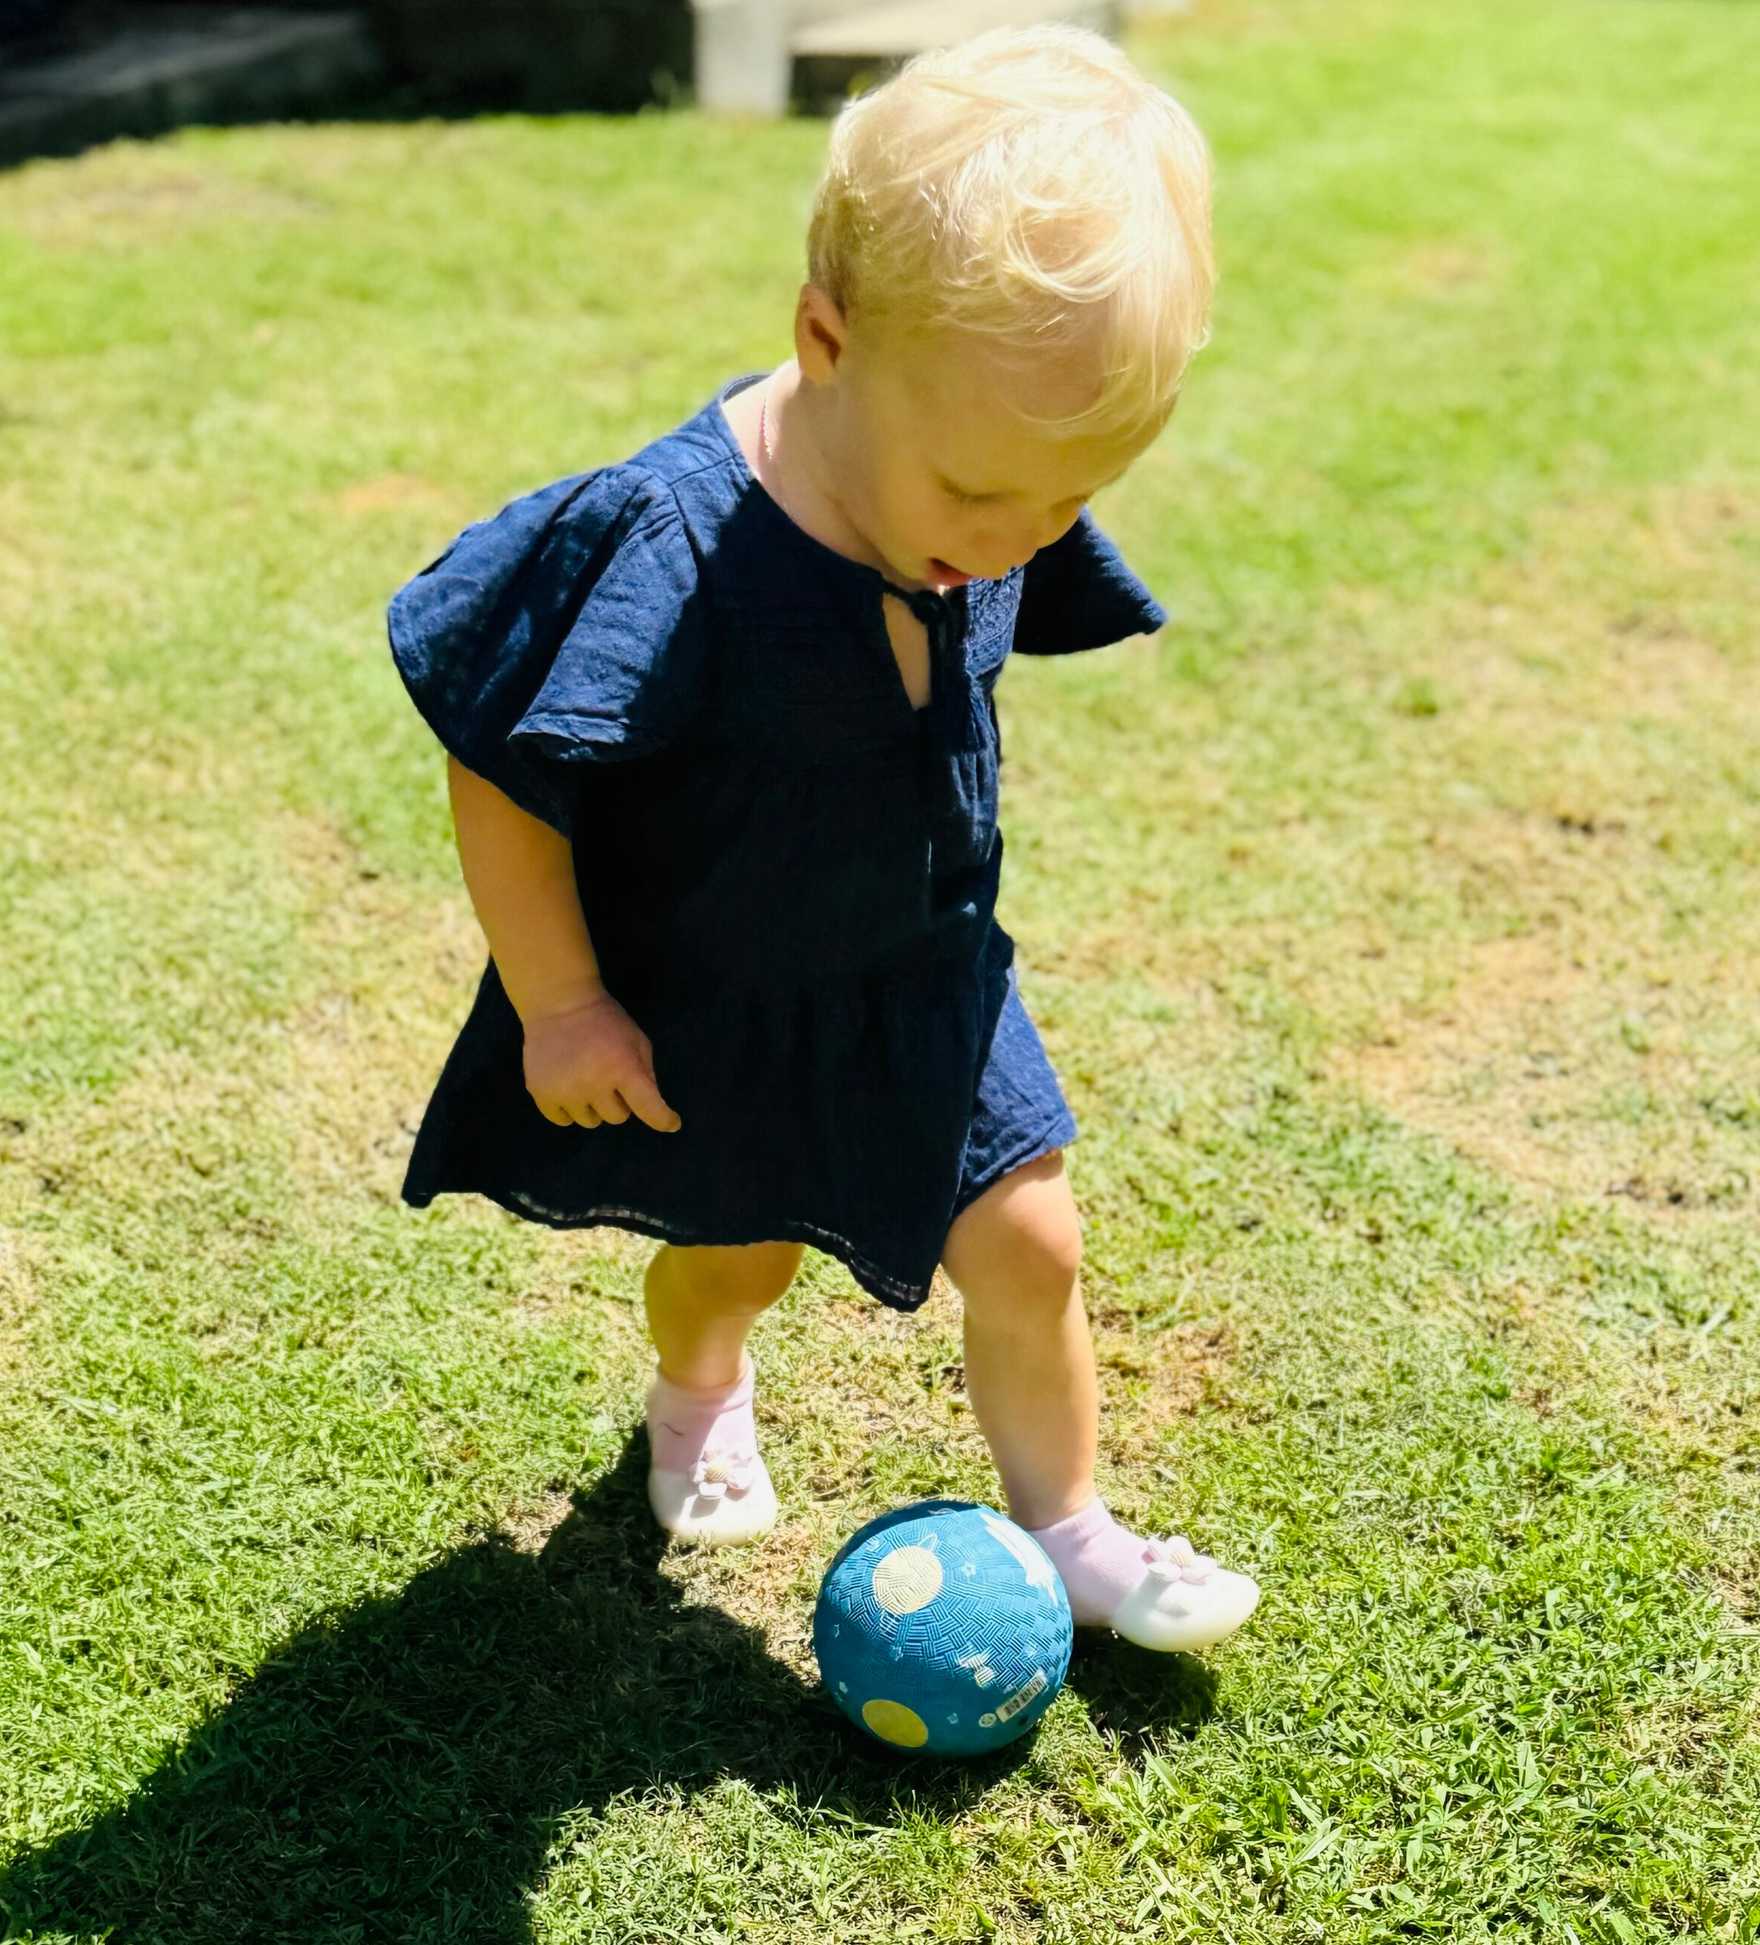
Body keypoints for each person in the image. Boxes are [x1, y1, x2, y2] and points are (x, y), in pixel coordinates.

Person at [390, 25, 1260, 1655]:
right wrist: (561, 1000)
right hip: (727, 993)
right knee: (737, 1263)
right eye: (981, 497)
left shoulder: (976, 474)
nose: (1011, 545)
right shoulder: (669, 539)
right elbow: (506, 766)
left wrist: (991, 530)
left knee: (1030, 1243)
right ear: (825, 338)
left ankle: (1066, 1524)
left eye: (1065, 508)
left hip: (923, 973)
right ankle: (696, 1386)